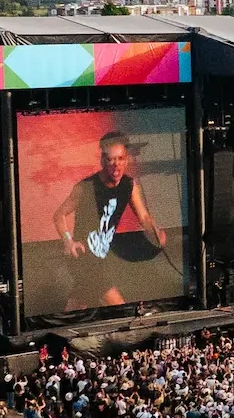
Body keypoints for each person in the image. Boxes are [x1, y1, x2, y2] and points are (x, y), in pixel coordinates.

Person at [50, 131, 167, 308]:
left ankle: (60, 333)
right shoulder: (87, 187)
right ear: (103, 160)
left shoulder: (129, 185)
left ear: (126, 159)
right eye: (111, 160)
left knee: (77, 308)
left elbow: (143, 216)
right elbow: (59, 215)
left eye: (120, 159)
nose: (116, 165)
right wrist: (69, 242)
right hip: (83, 258)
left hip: (102, 257)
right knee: (118, 307)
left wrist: (155, 233)